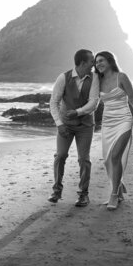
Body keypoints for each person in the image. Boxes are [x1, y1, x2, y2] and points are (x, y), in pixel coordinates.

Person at [81, 51, 133, 210]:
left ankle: (113, 195)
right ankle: (118, 188)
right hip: (107, 122)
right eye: (96, 62)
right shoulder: (98, 80)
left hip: (124, 120)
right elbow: (92, 100)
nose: (98, 64)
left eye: (101, 61)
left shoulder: (122, 77)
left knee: (114, 156)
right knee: (107, 160)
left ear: (110, 61)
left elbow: (132, 99)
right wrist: (79, 112)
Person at [48, 49, 96, 207]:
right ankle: (56, 190)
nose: (93, 64)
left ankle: (83, 194)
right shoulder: (63, 77)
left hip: (85, 126)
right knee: (60, 155)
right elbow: (53, 103)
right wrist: (59, 124)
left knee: (84, 159)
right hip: (65, 126)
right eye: (91, 61)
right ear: (83, 63)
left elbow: (93, 103)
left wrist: (77, 112)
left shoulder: (94, 78)